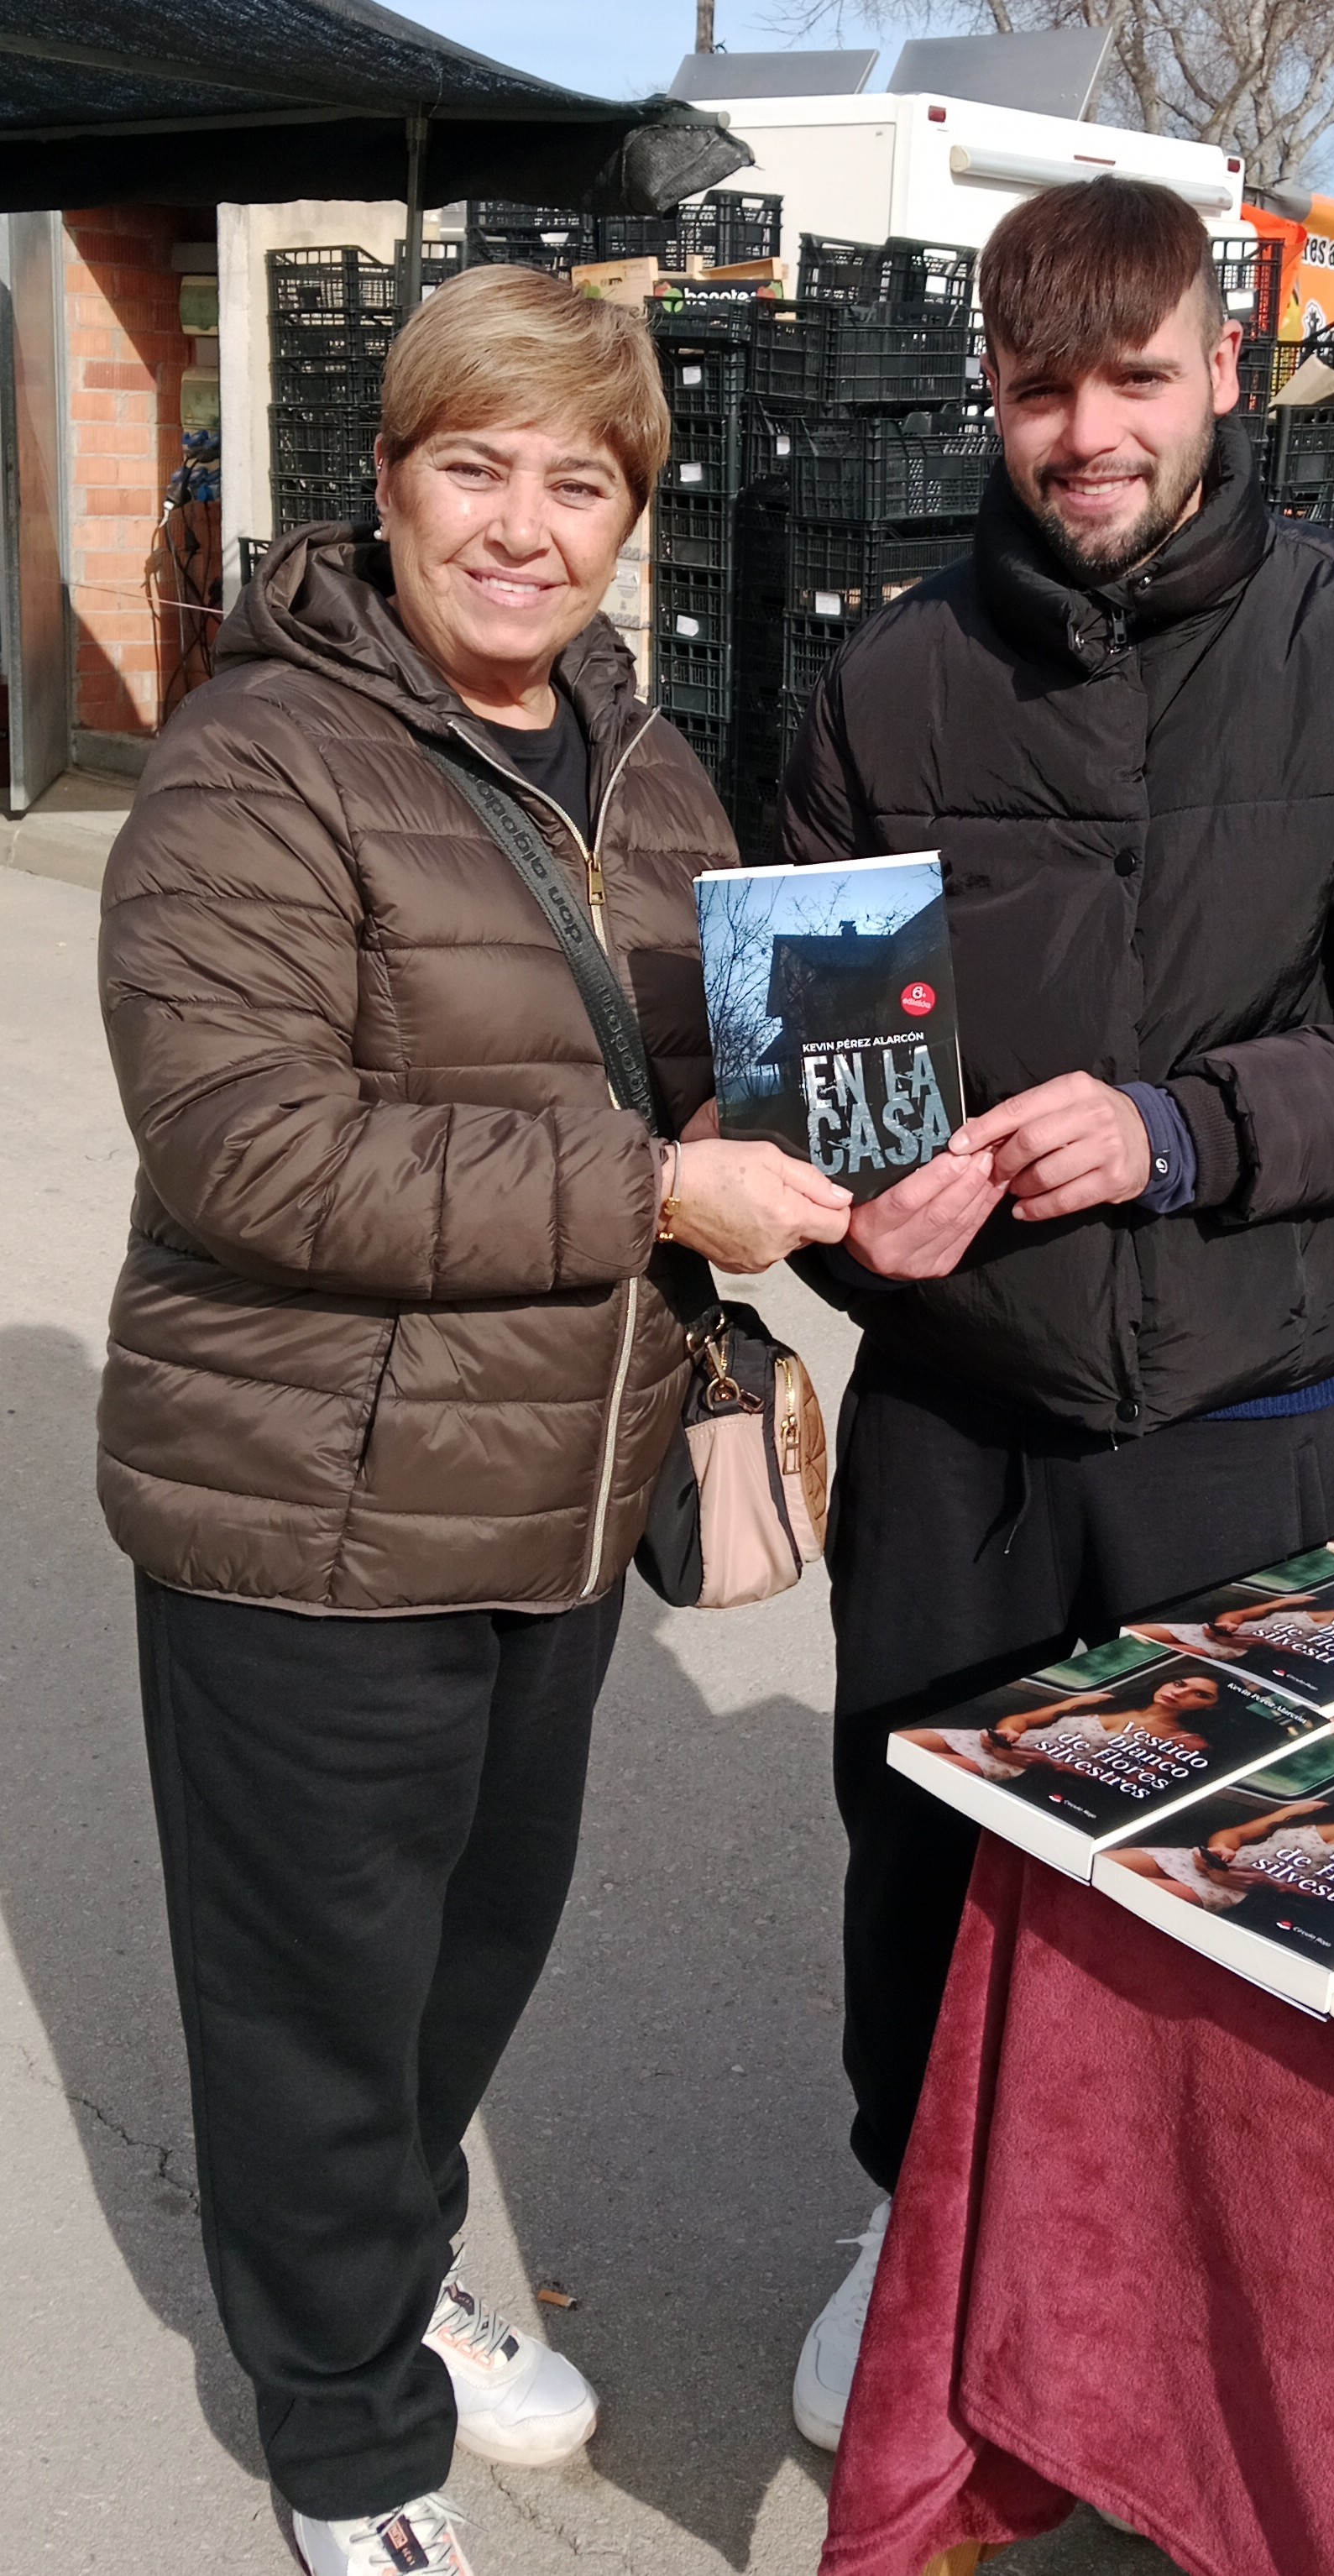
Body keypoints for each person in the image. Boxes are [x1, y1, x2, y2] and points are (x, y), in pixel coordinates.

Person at [95, 265, 850, 2576]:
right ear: (394, 476)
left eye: (579, 478)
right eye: (475, 463)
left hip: (550, 1491)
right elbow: (249, 1145)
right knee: (316, 1993)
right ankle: (340, 2436)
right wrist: (651, 1183)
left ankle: (395, 2275)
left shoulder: (640, 751)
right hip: (307, 1513)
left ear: (631, 510)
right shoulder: (261, 754)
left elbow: (686, 1056)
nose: (525, 525)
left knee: (464, 1956)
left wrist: (839, 1125)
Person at [781, 174, 1334, 2453]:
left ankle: (1168, 2307)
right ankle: (910, 2221)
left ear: (1221, 372)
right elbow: (800, 1067)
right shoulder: (891, 675)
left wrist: (1179, 1130)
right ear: (987, 392)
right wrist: (837, 1223)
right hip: (959, 1410)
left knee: (1201, 1884)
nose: (1086, 430)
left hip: (1249, 1398)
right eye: (1037, 387)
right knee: (917, 1842)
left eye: (1133, 378)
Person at [1111, 1773, 1334, 1911]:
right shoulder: (1318, 1809)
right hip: (1203, 1861)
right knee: (1105, 1864)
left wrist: (1271, 1885)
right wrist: (1222, 1850)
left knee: (1119, 1887)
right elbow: (1237, 1834)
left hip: (1244, 1891)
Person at [902, 1668, 1219, 1780]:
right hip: (997, 1742)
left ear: (1212, 1707)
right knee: (903, 1743)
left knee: (920, 1763)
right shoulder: (1104, 1700)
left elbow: (1135, 1781)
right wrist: (1009, 1731)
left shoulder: (1190, 1742)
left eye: (1200, 1695)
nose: (1181, 1693)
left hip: (1026, 1769)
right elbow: (1025, 1719)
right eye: (1180, 1683)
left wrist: (1049, 1764)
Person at [1133, 1580, 1334, 1664]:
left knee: (1150, 1653)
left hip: (1245, 1654)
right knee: (1133, 1635)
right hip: (1211, 1633)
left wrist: (1261, 1644)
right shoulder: (1310, 1601)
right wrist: (1227, 1625)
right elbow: (1239, 1615)